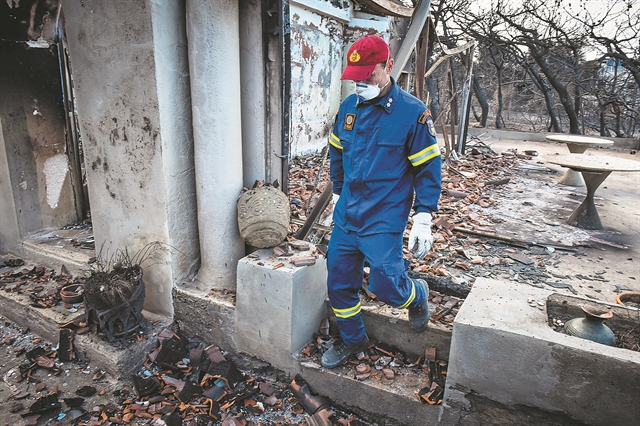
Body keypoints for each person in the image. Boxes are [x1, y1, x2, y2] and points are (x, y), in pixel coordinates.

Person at [322, 35, 442, 369]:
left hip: (383, 219)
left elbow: (428, 169)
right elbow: (337, 152)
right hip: (348, 214)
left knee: (387, 285)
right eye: (354, 79)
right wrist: (336, 193)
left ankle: (416, 294)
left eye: (368, 76)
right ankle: (352, 340)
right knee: (339, 283)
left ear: (389, 67)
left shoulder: (412, 114)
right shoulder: (349, 109)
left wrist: (424, 216)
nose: (359, 85)